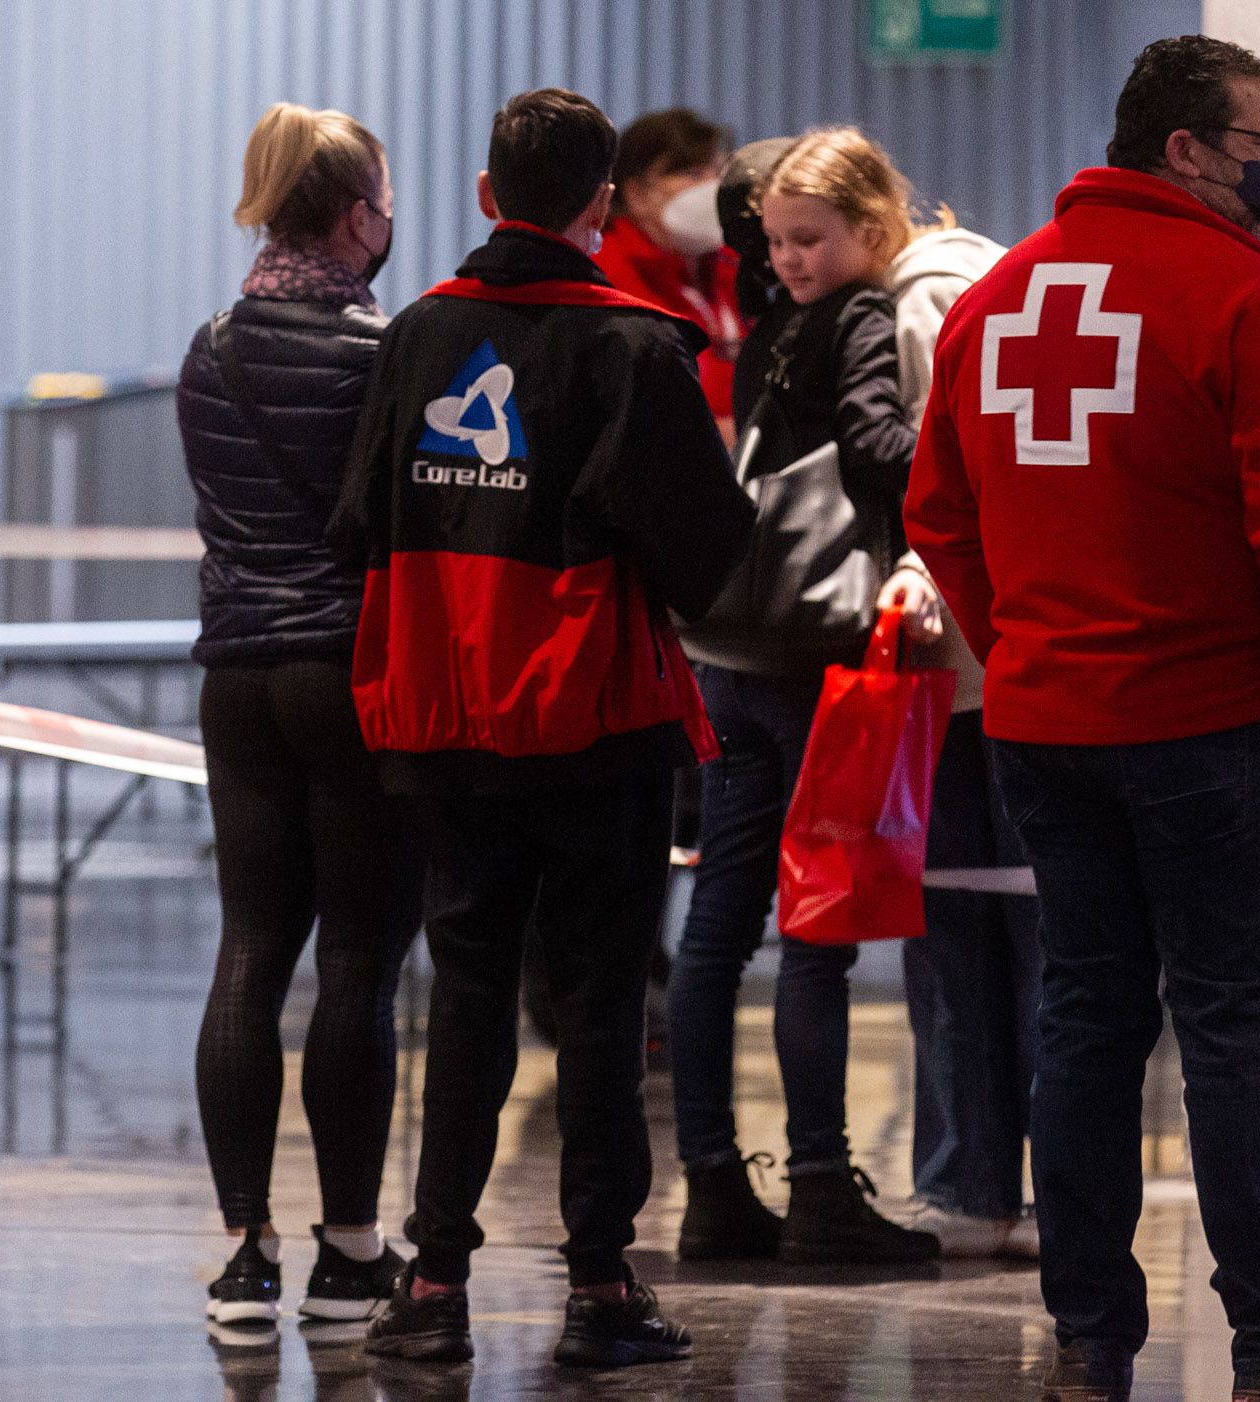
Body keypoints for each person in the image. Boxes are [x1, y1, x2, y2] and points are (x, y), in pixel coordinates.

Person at [906, 35, 1260, 1402]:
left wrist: (1018, 644)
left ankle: (1090, 1342)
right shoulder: (1238, 301)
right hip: (1213, 724)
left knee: (1086, 1017)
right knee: (1238, 1024)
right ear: (1184, 151)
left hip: (1047, 727)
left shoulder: (997, 300)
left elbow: (937, 512)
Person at [331, 87, 755, 1368]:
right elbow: (705, 558)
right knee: (598, 1004)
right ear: (601, 206)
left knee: (466, 992)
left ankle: (433, 1284)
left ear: (480, 197)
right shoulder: (638, 346)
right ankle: (599, 1289)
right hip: (594, 724)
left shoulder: (413, 337)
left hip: (446, 718)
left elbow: (358, 522)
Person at [667, 127, 939, 1267]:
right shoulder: (865, 315)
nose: (784, 257)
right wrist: (962, 454)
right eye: (777, 240)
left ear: (869, 230)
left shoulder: (771, 326)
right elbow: (879, 447)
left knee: (718, 933)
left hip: (729, 652)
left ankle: (713, 1187)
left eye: (804, 239)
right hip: (816, 661)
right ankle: (823, 1187)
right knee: (817, 934)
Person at [176, 101, 417, 1329]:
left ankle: (241, 1257)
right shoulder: (389, 354)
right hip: (350, 676)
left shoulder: (210, 346)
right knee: (360, 963)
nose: (391, 219)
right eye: (383, 200)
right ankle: (350, 1251)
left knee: (249, 952)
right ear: (351, 214)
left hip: (236, 681)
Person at [875, 192, 1038, 1261]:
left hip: (968, 673)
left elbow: (946, 484)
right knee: (1011, 943)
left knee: (970, 943)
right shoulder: (980, 280)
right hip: (1001, 667)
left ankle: (974, 1185)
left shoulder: (923, 301)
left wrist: (914, 574)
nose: (787, 265)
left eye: (802, 242)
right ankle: (999, 1184)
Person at [597, 107, 748, 444]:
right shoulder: (604, 274)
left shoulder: (736, 264)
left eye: (719, 171)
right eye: (694, 174)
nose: (713, 186)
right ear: (636, 193)